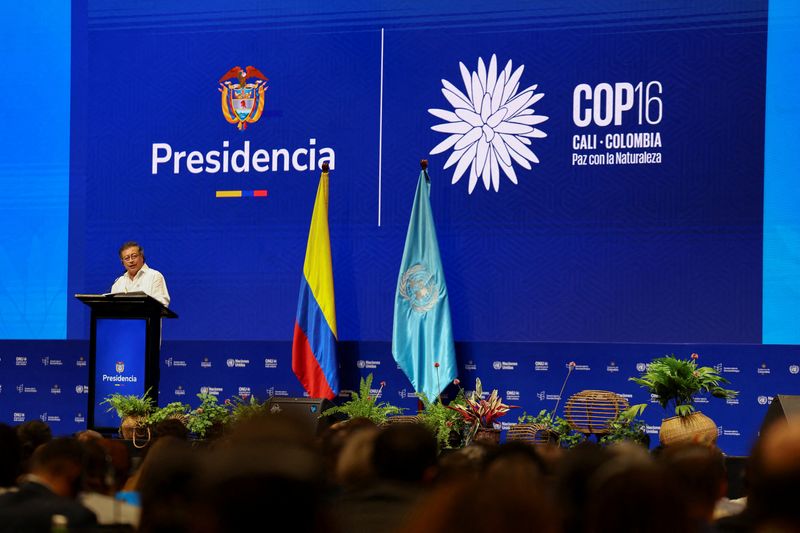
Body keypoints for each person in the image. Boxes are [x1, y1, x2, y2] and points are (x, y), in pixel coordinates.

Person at [110, 241, 170, 306]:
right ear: (122, 262)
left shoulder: (154, 276)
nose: (131, 261)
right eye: (127, 258)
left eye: (134, 256)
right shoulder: (118, 282)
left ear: (142, 257)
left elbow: (162, 304)